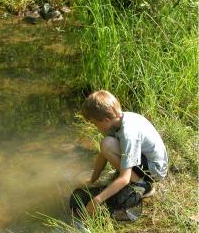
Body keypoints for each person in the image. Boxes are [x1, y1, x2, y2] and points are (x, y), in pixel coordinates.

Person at [70, 90, 168, 219]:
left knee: (108, 144)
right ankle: (135, 176)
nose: (95, 127)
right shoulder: (116, 121)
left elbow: (124, 178)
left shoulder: (128, 133)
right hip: (144, 159)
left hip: (154, 170)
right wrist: (93, 180)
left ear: (105, 120)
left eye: (94, 123)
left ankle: (143, 185)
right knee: (107, 144)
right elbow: (104, 153)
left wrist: (97, 201)